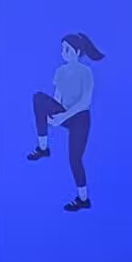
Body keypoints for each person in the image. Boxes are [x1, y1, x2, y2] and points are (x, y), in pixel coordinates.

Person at [27, 30, 105, 210]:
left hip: (80, 118)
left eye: (68, 49)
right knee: (38, 98)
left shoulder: (85, 72)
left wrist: (63, 116)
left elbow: (85, 102)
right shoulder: (60, 71)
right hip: (64, 113)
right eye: (62, 49)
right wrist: (51, 117)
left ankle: (83, 199)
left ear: (77, 52)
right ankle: (43, 147)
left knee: (75, 159)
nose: (64, 52)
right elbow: (57, 97)